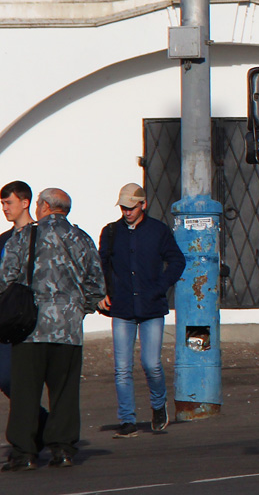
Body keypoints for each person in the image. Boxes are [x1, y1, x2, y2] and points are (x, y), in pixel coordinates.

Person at [0, 188, 106, 471]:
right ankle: (63, 449)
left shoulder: (23, 236)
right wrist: (76, 310)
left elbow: (5, 278)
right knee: (64, 393)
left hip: (30, 328)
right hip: (68, 330)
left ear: (45, 206)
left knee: (25, 394)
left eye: (37, 204)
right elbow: (96, 283)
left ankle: (24, 452)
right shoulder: (81, 238)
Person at [98, 184, 186, 439]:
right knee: (122, 368)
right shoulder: (111, 232)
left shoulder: (158, 231)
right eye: (123, 207)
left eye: (131, 207)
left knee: (151, 364)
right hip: (122, 307)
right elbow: (101, 263)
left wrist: (159, 287)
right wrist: (103, 291)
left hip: (151, 307)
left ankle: (159, 405)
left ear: (143, 205)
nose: (127, 212)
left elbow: (177, 261)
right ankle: (127, 420)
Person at [0, 182, 48, 450]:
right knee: (6, 378)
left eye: (9, 203)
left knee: (29, 380)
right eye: (3, 204)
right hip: (7, 320)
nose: (5, 208)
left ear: (25, 202)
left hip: (35, 319)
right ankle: (43, 424)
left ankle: (35, 436)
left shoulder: (40, 236)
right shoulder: (3, 241)